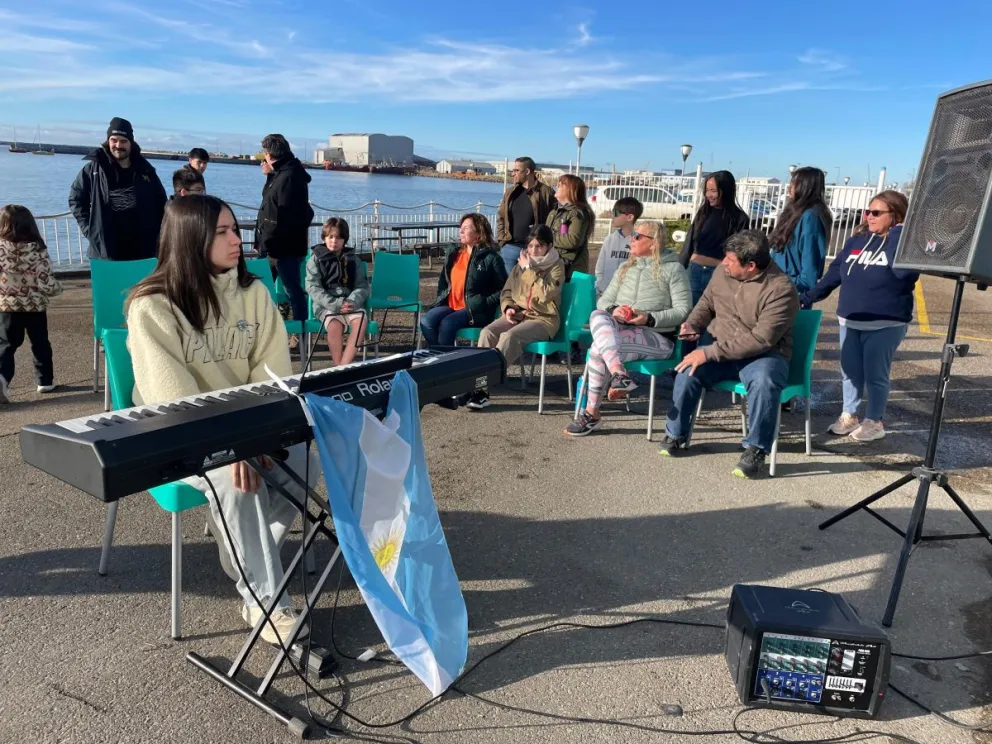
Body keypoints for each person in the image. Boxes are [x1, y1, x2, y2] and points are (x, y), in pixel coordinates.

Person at [126, 194, 317, 646]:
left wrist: (260, 439)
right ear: (191, 240)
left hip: (245, 427)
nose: (238, 240)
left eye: (237, 229)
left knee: (305, 465)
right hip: (179, 434)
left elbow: (272, 377)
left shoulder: (253, 293)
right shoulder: (151, 305)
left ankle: (241, 540)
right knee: (237, 485)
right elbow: (173, 401)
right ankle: (266, 602)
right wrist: (234, 448)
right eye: (223, 233)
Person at [660, 230, 799, 479]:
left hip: (764, 354)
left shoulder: (781, 289)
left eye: (730, 260)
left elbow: (762, 339)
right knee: (688, 368)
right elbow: (706, 303)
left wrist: (709, 353)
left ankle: (756, 448)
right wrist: (693, 325)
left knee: (765, 381)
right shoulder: (722, 272)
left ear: (751, 266)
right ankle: (675, 432)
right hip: (722, 345)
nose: (724, 263)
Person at [801, 191, 917, 442]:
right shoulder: (857, 240)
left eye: (876, 213)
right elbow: (834, 275)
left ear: (895, 216)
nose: (869, 216)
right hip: (850, 319)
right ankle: (849, 414)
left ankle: (875, 421)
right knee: (850, 372)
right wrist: (806, 297)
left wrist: (897, 233)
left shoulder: (904, 243)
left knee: (876, 374)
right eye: (868, 211)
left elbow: (905, 275)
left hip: (886, 322)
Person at [565, 221, 691, 437]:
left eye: (637, 236)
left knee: (597, 349)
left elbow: (684, 310)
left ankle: (593, 412)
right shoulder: (626, 267)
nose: (631, 239)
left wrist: (649, 318)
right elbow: (603, 301)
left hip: (658, 337)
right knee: (598, 314)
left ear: (653, 243)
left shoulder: (674, 269)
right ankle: (618, 374)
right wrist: (615, 311)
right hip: (621, 331)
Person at [473, 224, 565, 410]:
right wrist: (508, 307)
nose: (533, 250)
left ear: (548, 246)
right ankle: (479, 384)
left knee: (510, 336)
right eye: (530, 246)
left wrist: (529, 269)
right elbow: (507, 291)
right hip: (519, 314)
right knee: (487, 332)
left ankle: (483, 387)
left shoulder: (556, 265)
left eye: (538, 246)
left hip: (543, 319)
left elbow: (548, 293)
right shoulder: (520, 266)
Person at [421, 214, 507, 407]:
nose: (461, 230)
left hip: (474, 310)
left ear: (479, 232)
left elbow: (504, 288)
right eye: (461, 227)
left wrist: (482, 302)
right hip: (450, 304)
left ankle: (448, 379)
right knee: (426, 321)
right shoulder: (454, 252)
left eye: (466, 227)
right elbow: (445, 280)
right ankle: (444, 368)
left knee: (447, 325)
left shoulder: (491, 257)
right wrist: (441, 297)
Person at [68, 117, 167, 261]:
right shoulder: (94, 169)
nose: (118, 145)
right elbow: (76, 199)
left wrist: (160, 234)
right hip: (105, 249)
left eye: (123, 141)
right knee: (108, 284)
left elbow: (161, 204)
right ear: (108, 141)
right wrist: (90, 231)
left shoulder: (146, 170)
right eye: (114, 140)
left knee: (142, 285)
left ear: (131, 143)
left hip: (143, 249)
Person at [0, 205, 62, 403]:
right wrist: (58, 289)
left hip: (7, 308)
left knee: (6, 346)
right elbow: (46, 283)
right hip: (35, 306)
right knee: (40, 343)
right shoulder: (38, 250)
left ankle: (2, 379)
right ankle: (45, 381)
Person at [255, 134, 314, 328]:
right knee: (262, 289)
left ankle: (300, 330)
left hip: (281, 247)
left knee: (292, 290)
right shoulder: (285, 173)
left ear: (270, 155)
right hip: (276, 245)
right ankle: (267, 330)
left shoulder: (289, 176)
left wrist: (268, 242)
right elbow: (271, 202)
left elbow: (283, 212)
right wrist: (270, 175)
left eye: (265, 154)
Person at [305, 218, 369, 367]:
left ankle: (342, 366)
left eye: (339, 237)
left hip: (350, 303)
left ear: (344, 239)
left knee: (360, 322)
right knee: (334, 325)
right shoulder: (315, 260)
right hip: (327, 306)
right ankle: (339, 365)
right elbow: (313, 288)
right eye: (331, 237)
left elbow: (362, 286)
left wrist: (352, 302)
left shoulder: (353, 259)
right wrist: (335, 304)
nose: (334, 241)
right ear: (324, 238)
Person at [679, 170, 749, 306]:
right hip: (694, 271)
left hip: (719, 274)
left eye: (713, 191)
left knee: (713, 318)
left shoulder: (740, 218)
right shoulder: (703, 212)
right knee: (690, 316)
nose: (708, 195)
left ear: (726, 191)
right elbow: (689, 242)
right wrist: (680, 267)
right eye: (707, 190)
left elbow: (739, 252)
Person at [770, 166, 832, 293]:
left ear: (806, 187)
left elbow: (809, 273)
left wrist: (783, 286)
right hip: (774, 286)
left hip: (790, 292)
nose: (790, 187)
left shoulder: (811, 217)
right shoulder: (792, 212)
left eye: (794, 183)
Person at [495, 157, 557, 275]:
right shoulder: (510, 192)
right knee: (510, 287)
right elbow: (501, 216)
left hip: (535, 250)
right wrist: (502, 239)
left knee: (531, 285)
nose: (513, 174)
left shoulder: (546, 192)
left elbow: (555, 219)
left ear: (527, 171)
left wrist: (545, 243)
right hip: (510, 247)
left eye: (516, 170)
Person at [547, 173, 594, 279]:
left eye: (561, 184)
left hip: (570, 269)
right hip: (555, 265)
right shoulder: (554, 212)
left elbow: (573, 240)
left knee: (568, 295)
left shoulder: (578, 213)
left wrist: (546, 238)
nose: (557, 187)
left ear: (571, 189)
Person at [594, 196, 643, 296]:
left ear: (630, 217)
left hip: (627, 295)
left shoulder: (639, 241)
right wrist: (600, 286)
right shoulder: (609, 239)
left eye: (616, 213)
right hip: (605, 293)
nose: (612, 216)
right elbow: (599, 269)